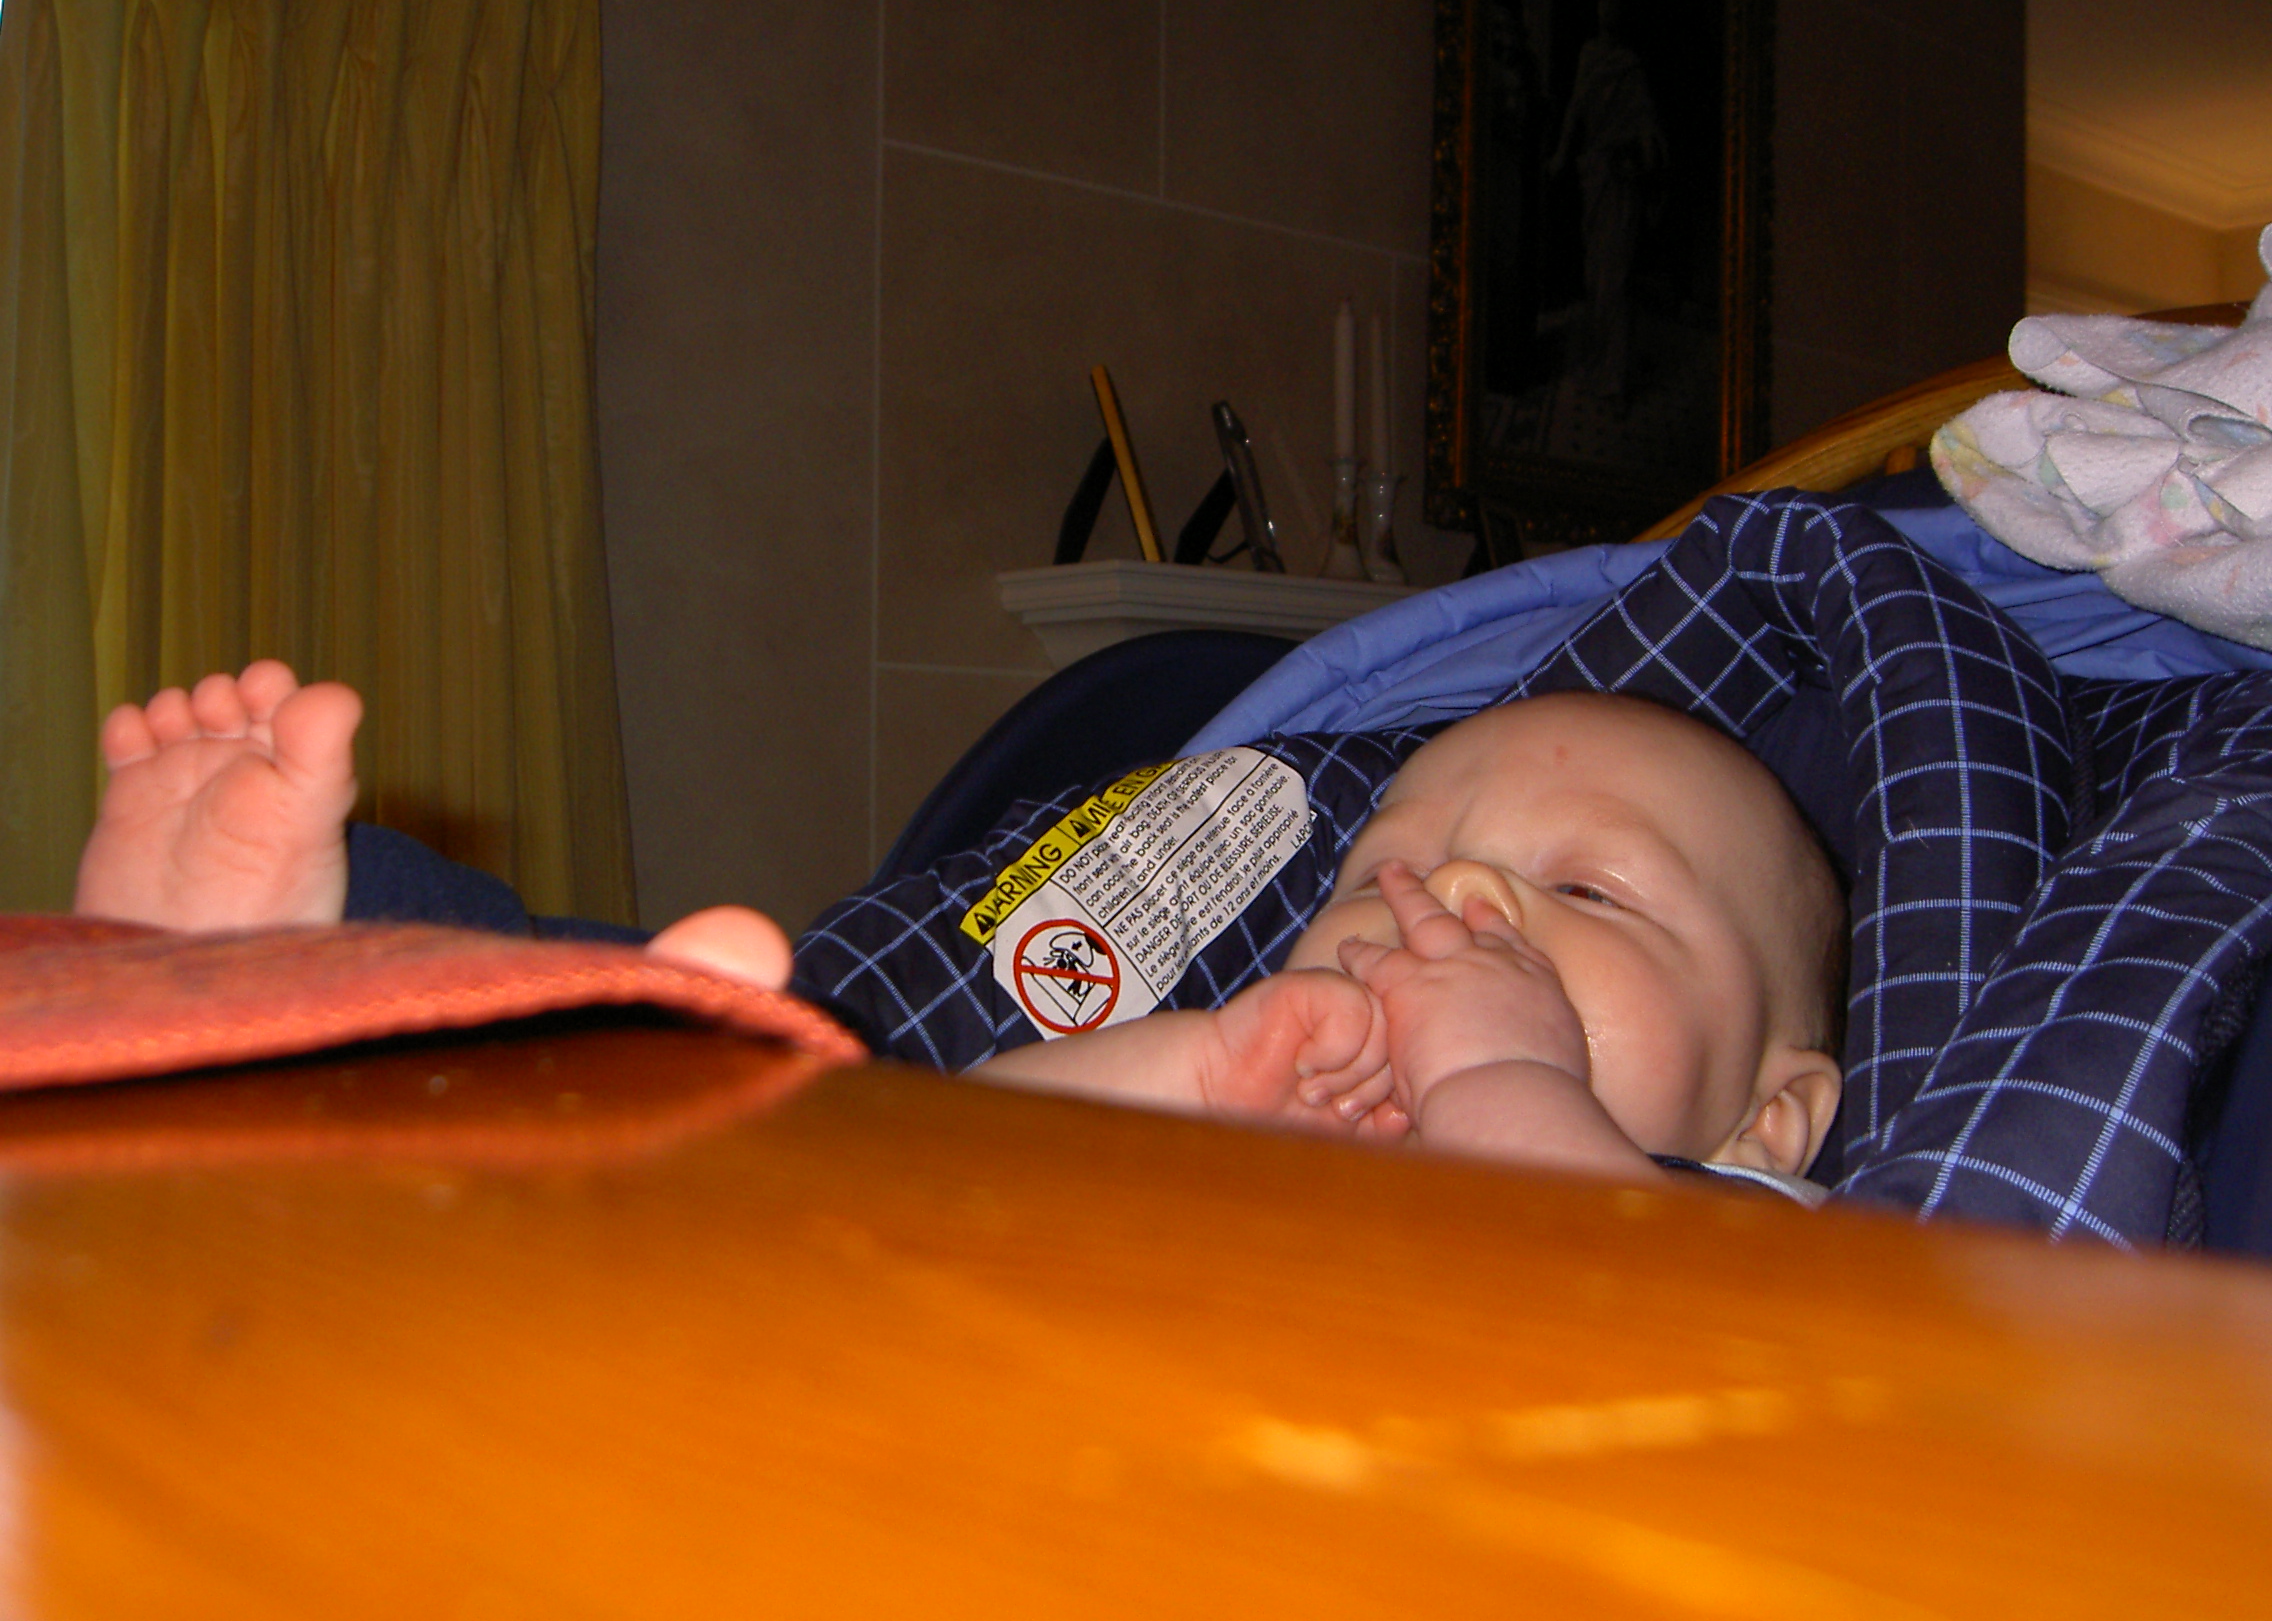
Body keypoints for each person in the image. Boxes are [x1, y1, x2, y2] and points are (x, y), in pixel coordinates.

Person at [72, 663, 1846, 1193]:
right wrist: (1197, 1072)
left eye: (1587, 895)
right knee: (785, 1102)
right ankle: (296, 960)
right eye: (1382, 871)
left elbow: (1610, 1282)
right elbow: (971, 1144)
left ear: (1776, 1111)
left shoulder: (1775, 1241)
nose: (1444, 906)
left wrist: (1501, 1081)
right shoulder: (1301, 1122)